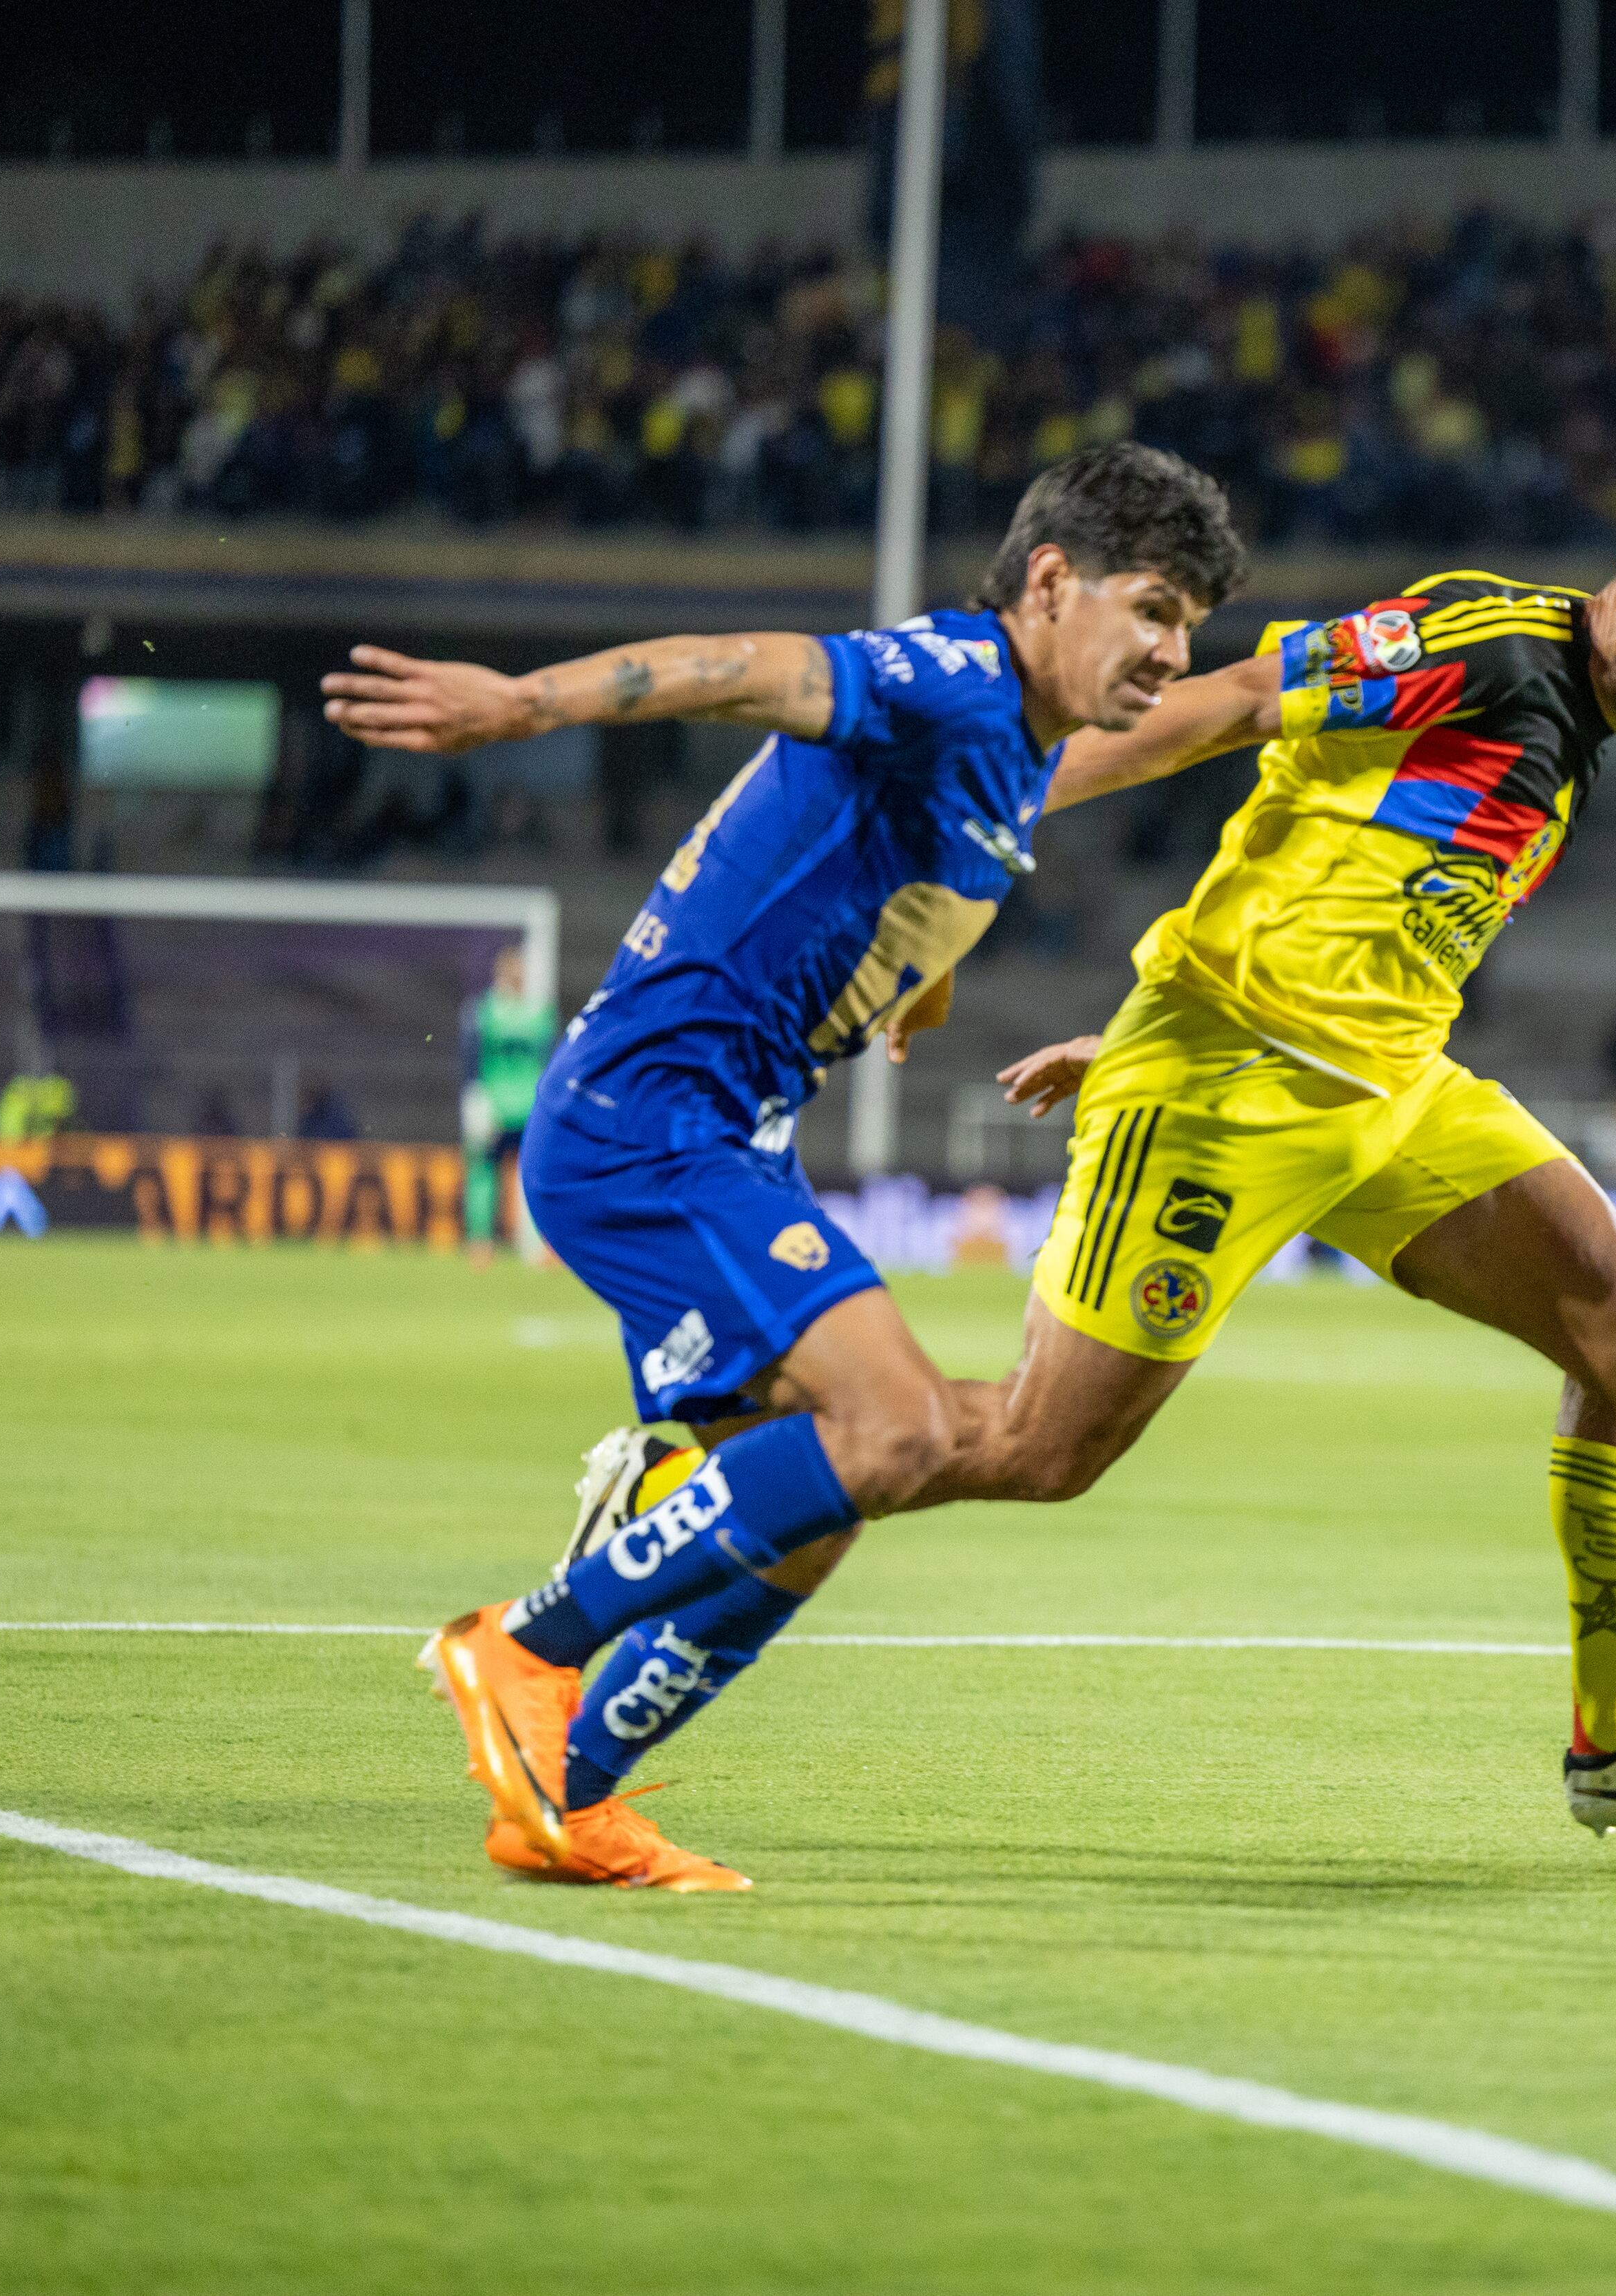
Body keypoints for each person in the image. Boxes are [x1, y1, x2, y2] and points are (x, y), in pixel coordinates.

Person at [570, 453, 1616, 1841]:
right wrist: (968, 842)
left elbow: (1333, 886)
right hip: (1231, 1083)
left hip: (1389, 1088)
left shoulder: (1573, 721)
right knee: (1045, 1446)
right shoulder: (1481, 642)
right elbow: (1228, 705)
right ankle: (680, 1498)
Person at [317, 442, 1245, 1890]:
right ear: (1052, 582)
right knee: (900, 1429)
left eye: (1190, 624)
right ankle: (526, 1644)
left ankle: (564, 1796)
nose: (1172, 651)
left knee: (814, 1508)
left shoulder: (1017, 745)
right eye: (1155, 610)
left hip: (723, 1133)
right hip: (651, 1124)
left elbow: (938, 859)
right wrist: (521, 706)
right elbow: (746, 668)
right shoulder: (948, 678)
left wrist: (905, 988)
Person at [459, 941, 555, 1265]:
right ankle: (490, 1243)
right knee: (500, 1172)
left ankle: (515, 1245)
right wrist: (475, 1098)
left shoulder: (486, 1012)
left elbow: (470, 1059)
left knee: (501, 1173)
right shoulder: (533, 1014)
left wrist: (474, 1097)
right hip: (510, 1105)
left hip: (513, 1104)